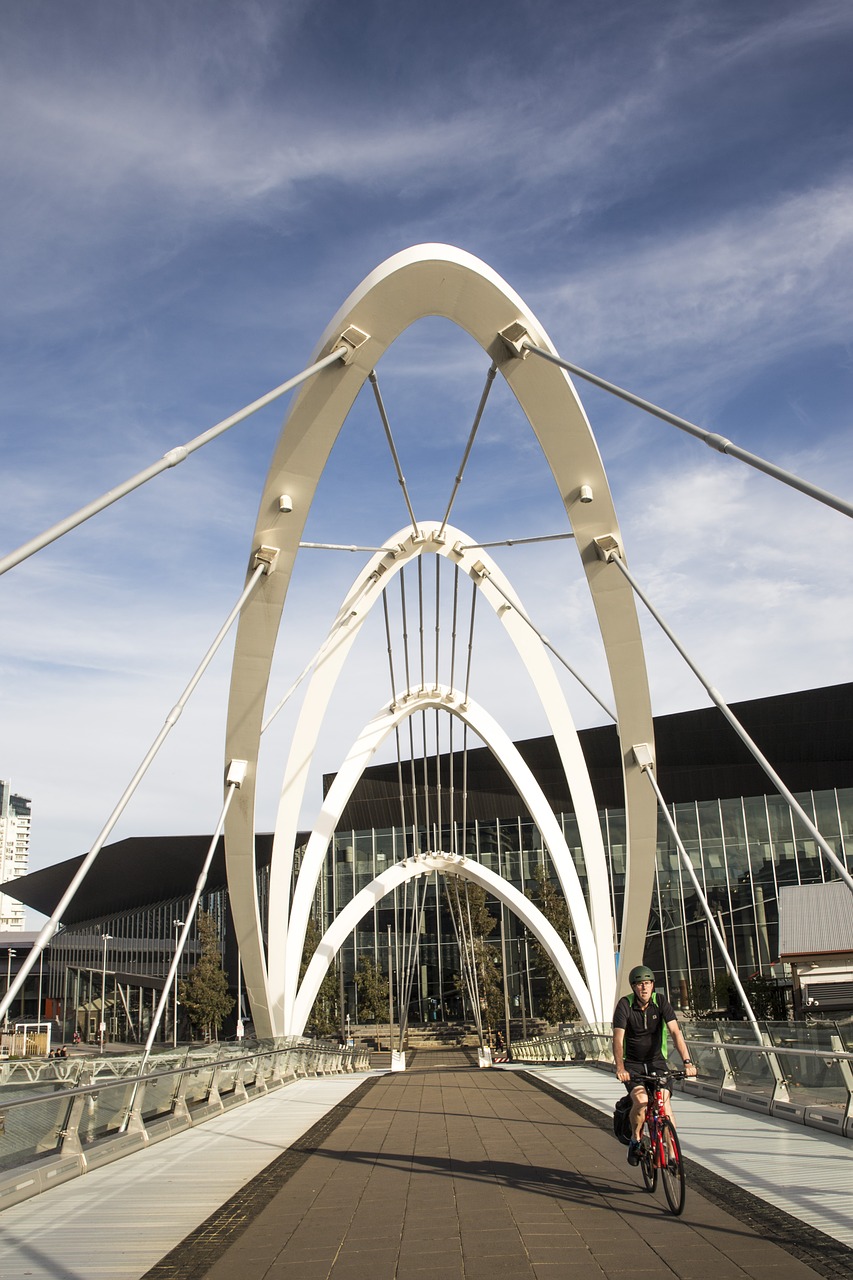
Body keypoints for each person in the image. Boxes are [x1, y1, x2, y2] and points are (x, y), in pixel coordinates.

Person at [612, 964, 697, 1166]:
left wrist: (687, 1062)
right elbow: (617, 1039)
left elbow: (676, 1032)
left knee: (665, 1106)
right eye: (640, 984)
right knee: (641, 1104)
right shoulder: (625, 1005)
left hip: (657, 1062)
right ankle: (635, 1139)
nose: (644, 988)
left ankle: (673, 1156)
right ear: (634, 987)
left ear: (652, 985)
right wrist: (621, 1068)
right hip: (633, 1064)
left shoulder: (660, 1002)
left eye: (648, 983)